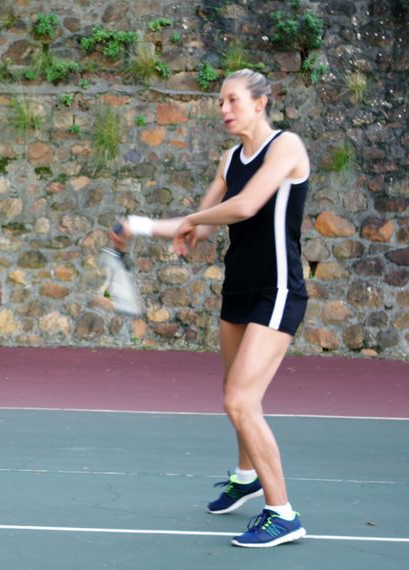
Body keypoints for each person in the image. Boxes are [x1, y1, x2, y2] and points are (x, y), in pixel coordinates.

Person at [110, 68, 310, 548]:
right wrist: (132, 226)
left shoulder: (287, 147)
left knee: (240, 400)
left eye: (233, 100)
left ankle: (282, 513)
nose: (224, 110)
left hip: (277, 289)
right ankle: (246, 477)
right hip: (238, 287)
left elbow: (244, 207)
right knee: (233, 393)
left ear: (261, 102)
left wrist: (188, 220)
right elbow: (195, 230)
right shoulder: (229, 160)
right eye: (220, 101)